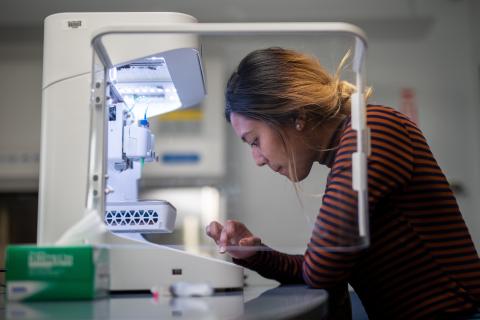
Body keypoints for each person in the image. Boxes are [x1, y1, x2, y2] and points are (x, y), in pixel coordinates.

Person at [205, 47, 480, 319]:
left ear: (295, 115)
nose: (258, 159)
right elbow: (321, 266)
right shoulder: (350, 147)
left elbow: (321, 270)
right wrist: (254, 253)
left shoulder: (370, 133)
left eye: (255, 141)